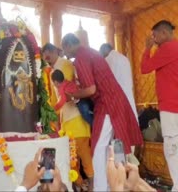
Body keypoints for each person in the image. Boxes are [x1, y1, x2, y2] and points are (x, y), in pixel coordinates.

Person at [62, 33, 143, 191]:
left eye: (65, 49)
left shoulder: (81, 57)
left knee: (98, 148)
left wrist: (73, 95)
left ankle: (101, 188)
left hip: (107, 104)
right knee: (111, 147)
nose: (65, 54)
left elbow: (91, 89)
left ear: (68, 45)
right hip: (118, 101)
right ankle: (114, 185)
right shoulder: (91, 52)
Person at [141, 20, 178, 191]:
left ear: (163, 33)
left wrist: (148, 48)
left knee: (172, 149)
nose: (153, 39)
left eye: (154, 35)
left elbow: (145, 67)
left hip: (171, 108)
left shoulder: (168, 48)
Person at [51, 69, 93, 191]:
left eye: (54, 84)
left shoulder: (67, 86)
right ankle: (80, 184)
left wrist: (52, 110)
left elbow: (62, 101)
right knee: (72, 158)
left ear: (56, 82)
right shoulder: (64, 87)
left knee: (84, 155)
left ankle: (92, 183)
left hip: (77, 126)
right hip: (69, 128)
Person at [99, 43, 138, 120]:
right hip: (129, 97)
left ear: (103, 51)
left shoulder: (107, 60)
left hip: (117, 100)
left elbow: (105, 83)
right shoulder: (124, 58)